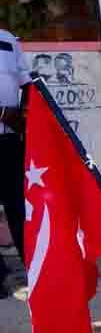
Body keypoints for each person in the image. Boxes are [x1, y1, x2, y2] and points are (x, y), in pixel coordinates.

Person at [0, 27, 30, 297]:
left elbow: (25, 81)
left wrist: (24, 115)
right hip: (5, 122)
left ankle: (34, 265)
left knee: (18, 207)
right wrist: (2, 113)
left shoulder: (8, 39)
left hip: (10, 139)